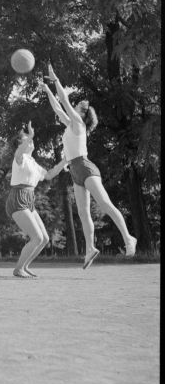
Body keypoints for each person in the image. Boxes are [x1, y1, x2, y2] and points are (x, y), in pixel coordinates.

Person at [40, 63, 137, 269]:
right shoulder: (70, 124)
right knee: (83, 214)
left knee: (105, 204)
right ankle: (90, 248)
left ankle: (129, 238)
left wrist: (55, 79)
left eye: (78, 107)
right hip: (75, 171)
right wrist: (48, 89)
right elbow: (58, 107)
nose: (74, 106)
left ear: (83, 114)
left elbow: (64, 101)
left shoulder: (79, 124)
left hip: (86, 167)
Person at [6, 121, 68, 278]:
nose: (31, 140)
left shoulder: (32, 162)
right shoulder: (19, 158)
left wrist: (65, 161)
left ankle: (24, 266)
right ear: (21, 143)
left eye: (30, 138)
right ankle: (18, 269)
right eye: (26, 138)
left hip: (29, 199)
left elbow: (49, 175)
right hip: (18, 198)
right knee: (37, 237)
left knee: (45, 239)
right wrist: (31, 135)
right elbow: (18, 153)